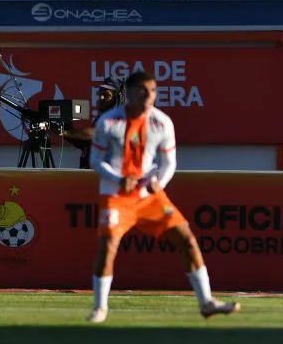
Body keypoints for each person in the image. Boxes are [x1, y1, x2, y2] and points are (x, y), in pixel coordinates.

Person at [87, 71, 240, 323]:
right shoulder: (108, 121)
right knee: (108, 247)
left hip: (148, 196)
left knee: (187, 238)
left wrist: (157, 184)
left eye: (154, 91)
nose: (150, 96)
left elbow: (169, 163)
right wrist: (118, 179)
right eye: (143, 91)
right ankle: (100, 308)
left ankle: (207, 302)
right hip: (116, 195)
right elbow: (95, 161)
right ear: (130, 92)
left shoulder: (162, 122)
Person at [64, 78, 122, 170]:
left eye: (106, 95)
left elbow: (94, 134)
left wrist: (65, 132)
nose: (101, 98)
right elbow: (85, 143)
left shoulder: (118, 117)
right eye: (99, 94)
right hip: (89, 170)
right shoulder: (101, 117)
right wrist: (63, 130)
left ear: (118, 97)